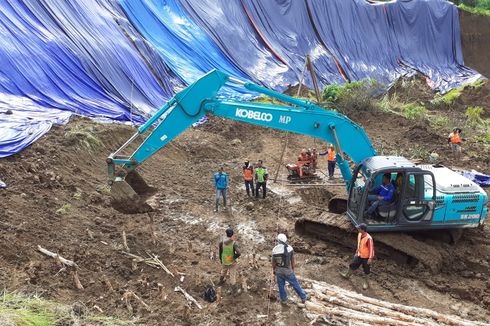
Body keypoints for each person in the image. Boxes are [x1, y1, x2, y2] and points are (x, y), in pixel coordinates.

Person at [272, 233, 308, 305]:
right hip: (288, 271)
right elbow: (292, 260)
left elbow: (273, 262)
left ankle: (284, 300)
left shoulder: (274, 250)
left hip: (279, 271)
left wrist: (274, 270)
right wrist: (293, 269)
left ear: (278, 240)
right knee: (295, 284)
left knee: (281, 286)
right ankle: (303, 297)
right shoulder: (290, 248)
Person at [340, 223, 374, 290]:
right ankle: (347, 275)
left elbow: (371, 249)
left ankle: (366, 283)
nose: (358, 229)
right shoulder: (359, 234)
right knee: (353, 264)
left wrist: (370, 258)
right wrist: (357, 251)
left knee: (366, 270)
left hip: (366, 257)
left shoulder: (369, 238)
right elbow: (359, 244)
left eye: (359, 228)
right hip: (359, 255)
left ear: (363, 230)